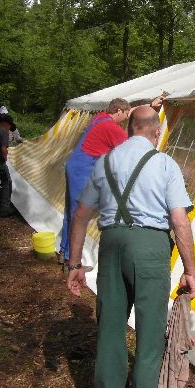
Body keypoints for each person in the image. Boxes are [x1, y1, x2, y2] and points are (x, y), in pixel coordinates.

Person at [66, 105, 195, 388]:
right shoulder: (165, 163)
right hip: (150, 246)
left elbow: (81, 216)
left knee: (110, 330)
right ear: (157, 132)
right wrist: (190, 269)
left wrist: (74, 265)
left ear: (129, 129)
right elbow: (179, 220)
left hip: (111, 244)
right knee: (150, 335)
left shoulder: (104, 162)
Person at [59, 98, 132, 264]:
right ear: (119, 111)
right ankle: (71, 259)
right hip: (83, 168)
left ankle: (63, 250)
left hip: (74, 164)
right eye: (126, 114)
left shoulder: (100, 117)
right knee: (78, 213)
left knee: (70, 211)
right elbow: (131, 149)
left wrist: (150, 106)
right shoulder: (111, 127)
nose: (127, 118)